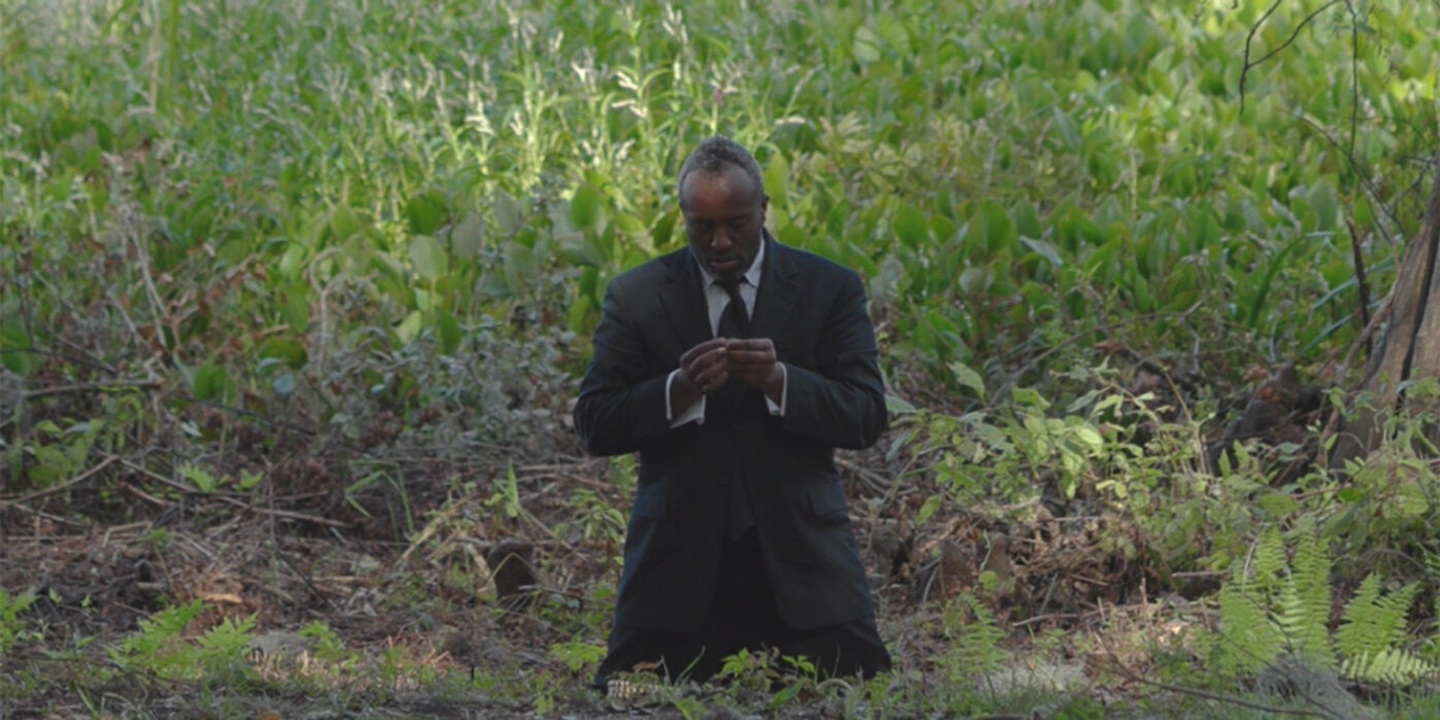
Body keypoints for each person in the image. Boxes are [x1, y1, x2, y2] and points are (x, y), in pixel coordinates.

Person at [573, 136, 891, 691]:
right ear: (683, 218)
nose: (720, 242)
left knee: (864, 689)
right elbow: (594, 423)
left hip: (805, 568)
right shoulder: (637, 296)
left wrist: (779, 380)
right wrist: (677, 390)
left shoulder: (829, 288)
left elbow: (865, 415)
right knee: (627, 692)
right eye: (702, 227)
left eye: (737, 225)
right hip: (677, 575)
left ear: (764, 211)